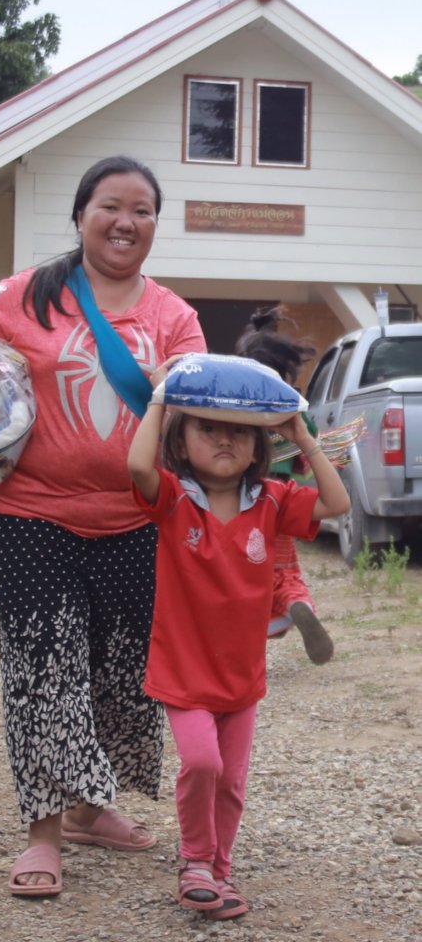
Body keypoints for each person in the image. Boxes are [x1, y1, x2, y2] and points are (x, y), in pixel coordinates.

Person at [0, 155, 207, 898]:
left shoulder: (174, 316)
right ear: (80, 216)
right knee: (44, 669)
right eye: (111, 205)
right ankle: (43, 832)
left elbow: (198, 405)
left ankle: (87, 806)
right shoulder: (26, 295)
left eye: (143, 210)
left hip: (138, 523)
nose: (126, 222)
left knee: (123, 677)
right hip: (30, 517)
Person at [127, 383, 350, 918]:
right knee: (202, 763)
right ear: (179, 442)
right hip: (182, 667)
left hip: (242, 676)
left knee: (230, 778)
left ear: (259, 445)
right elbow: (137, 466)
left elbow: (336, 503)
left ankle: (219, 872)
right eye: (207, 428)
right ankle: (196, 863)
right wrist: (161, 400)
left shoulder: (273, 499)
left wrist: (303, 436)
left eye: (237, 431)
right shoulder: (172, 497)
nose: (224, 440)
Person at [235, 305, 334, 664]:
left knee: (245, 571)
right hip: (280, 502)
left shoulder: (236, 409)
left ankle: (249, 637)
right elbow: (307, 463)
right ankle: (297, 604)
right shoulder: (293, 410)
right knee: (284, 570)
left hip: (237, 503)